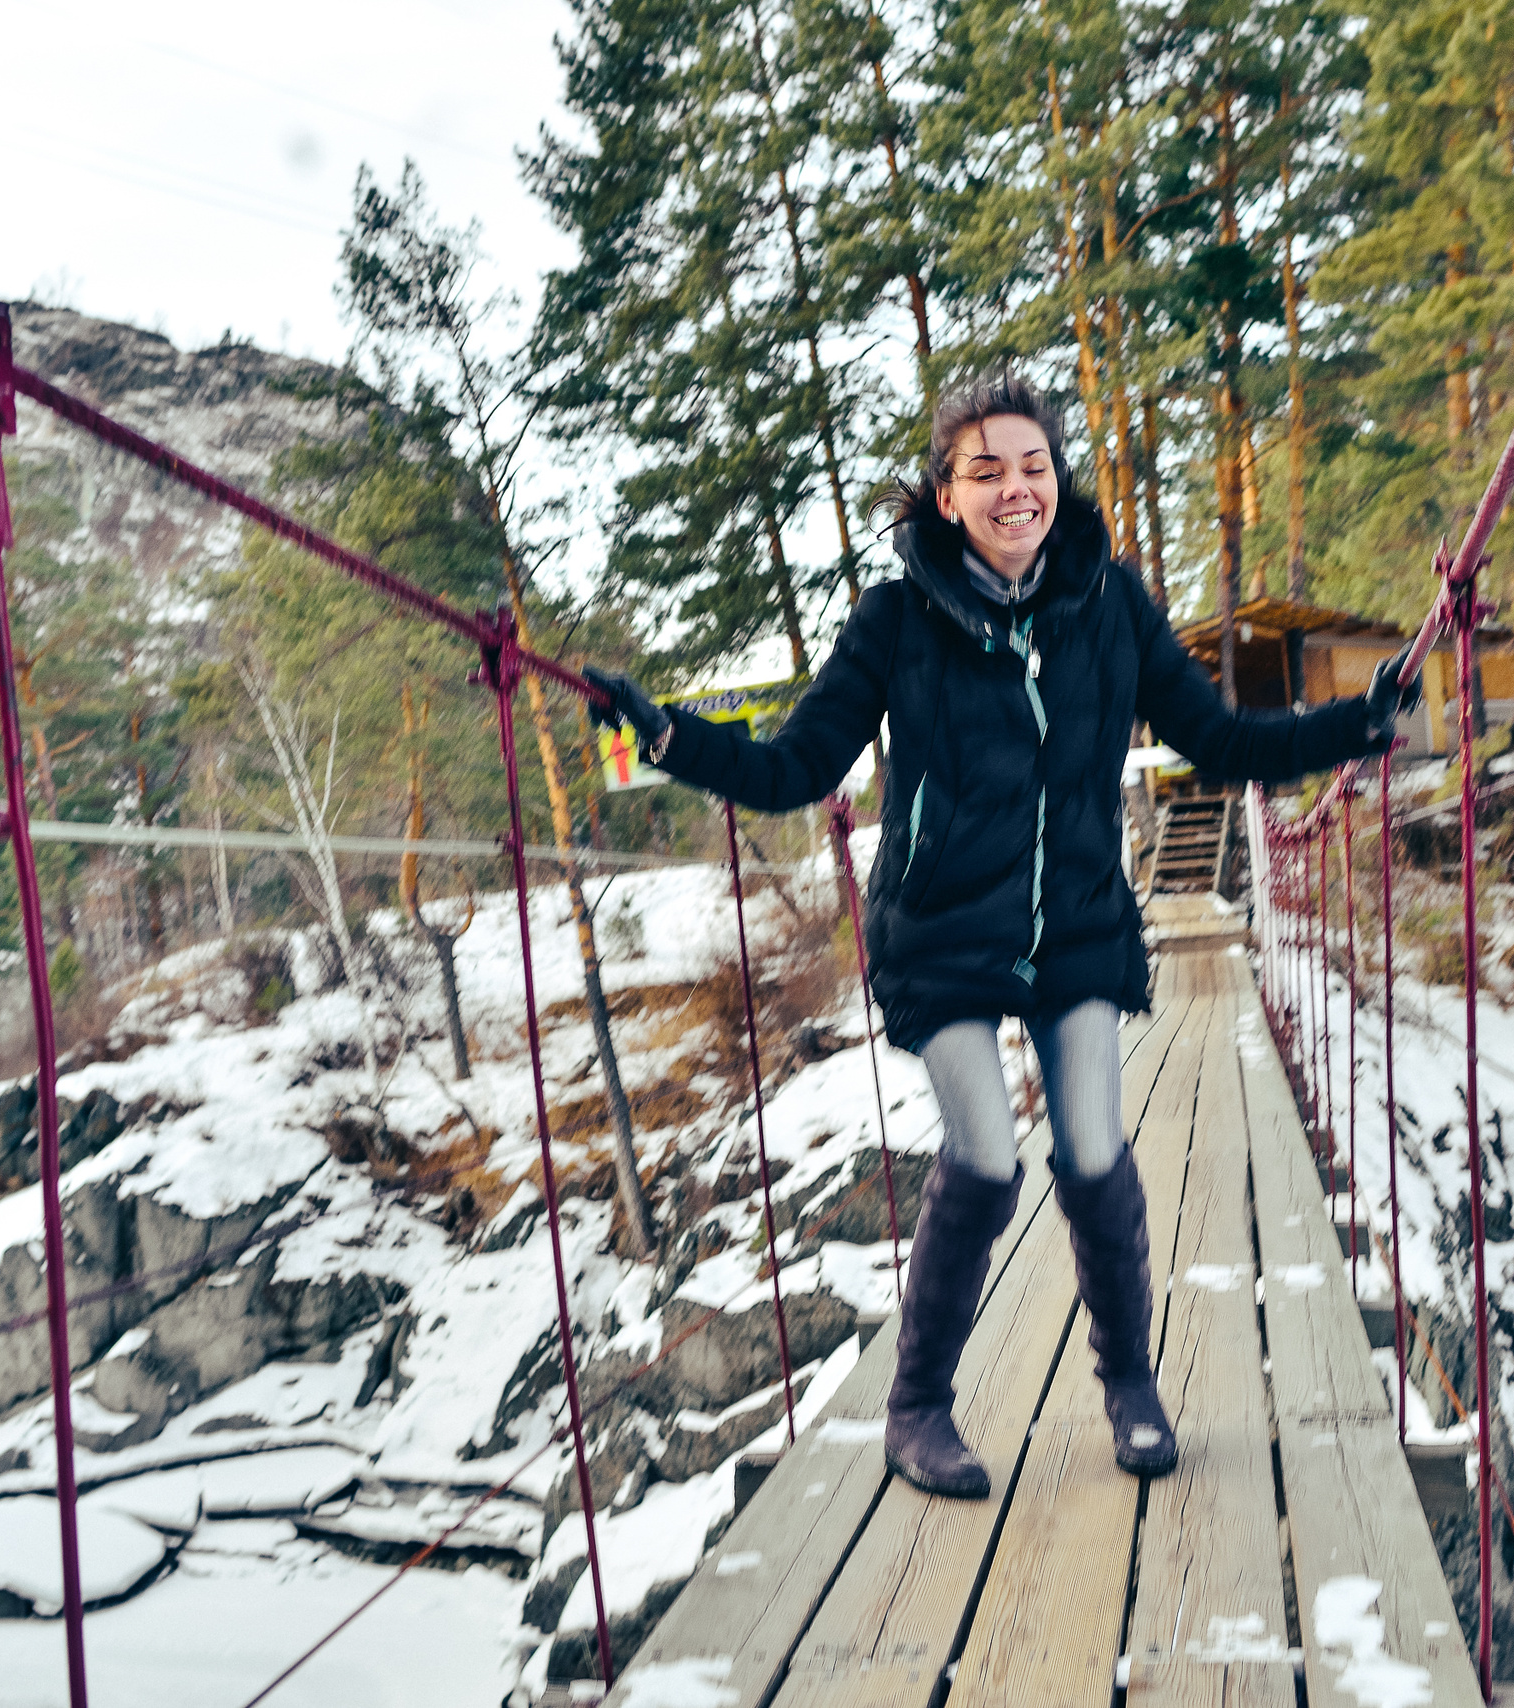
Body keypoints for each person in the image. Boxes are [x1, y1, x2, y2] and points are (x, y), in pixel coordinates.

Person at [587, 371, 1419, 1500]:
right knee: (983, 1157)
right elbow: (793, 768)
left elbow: (1218, 741)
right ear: (944, 496)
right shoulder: (894, 620)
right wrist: (671, 737)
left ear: (1055, 480)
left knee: (1091, 1150)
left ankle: (1129, 1385)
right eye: (984, 471)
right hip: (939, 930)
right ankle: (916, 1406)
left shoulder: (1111, 603)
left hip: (1073, 921)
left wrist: (1354, 724)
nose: (1014, 488)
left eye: (1032, 466)